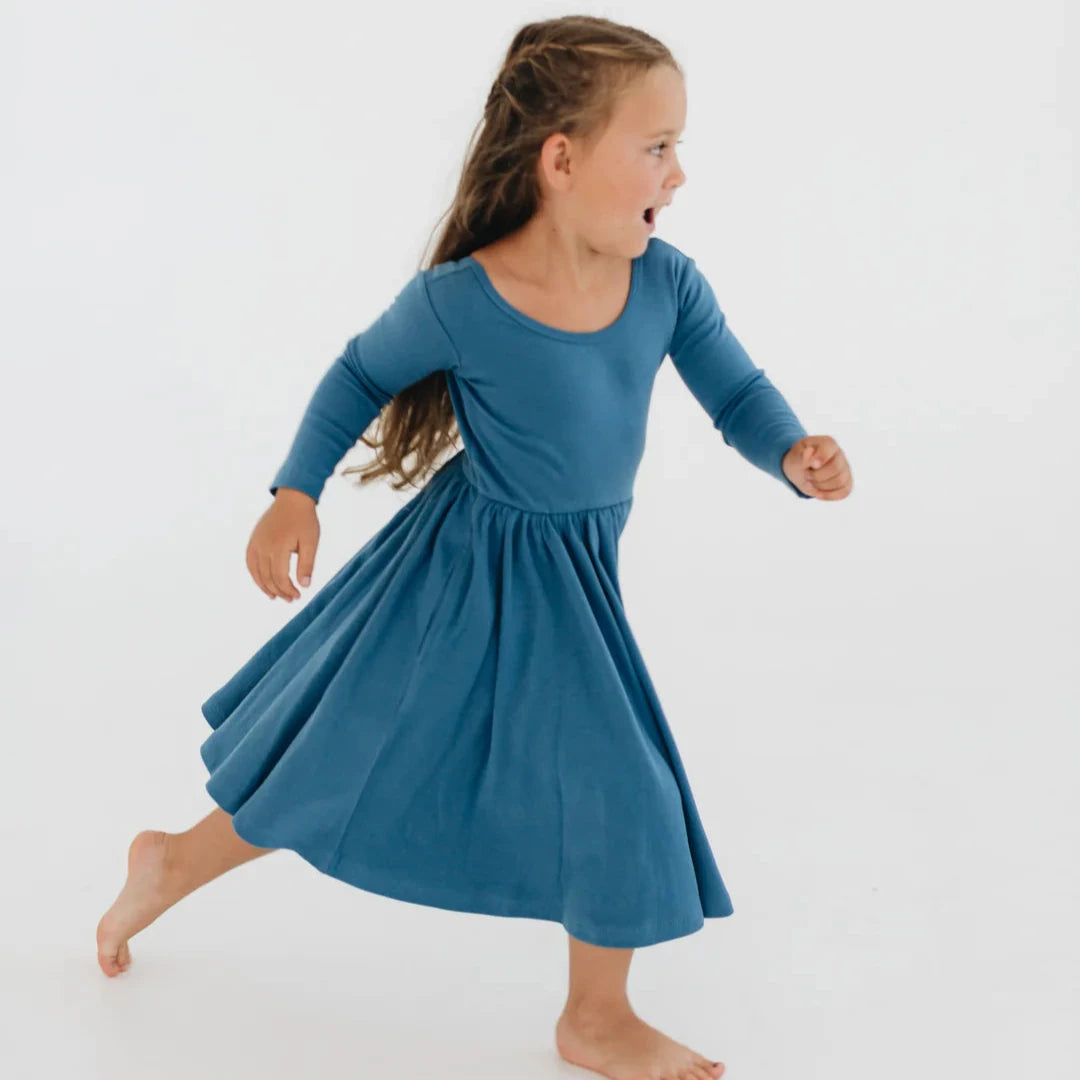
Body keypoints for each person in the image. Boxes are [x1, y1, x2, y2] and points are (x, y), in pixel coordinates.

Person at [97, 15, 853, 1080]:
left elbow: (734, 391)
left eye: (677, 148)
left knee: (618, 785)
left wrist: (792, 452)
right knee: (339, 751)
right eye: (657, 147)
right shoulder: (465, 300)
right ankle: (172, 861)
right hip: (456, 575)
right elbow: (360, 374)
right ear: (562, 159)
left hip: (570, 584)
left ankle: (595, 1014)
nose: (678, 175)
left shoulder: (667, 284)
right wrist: (293, 494)